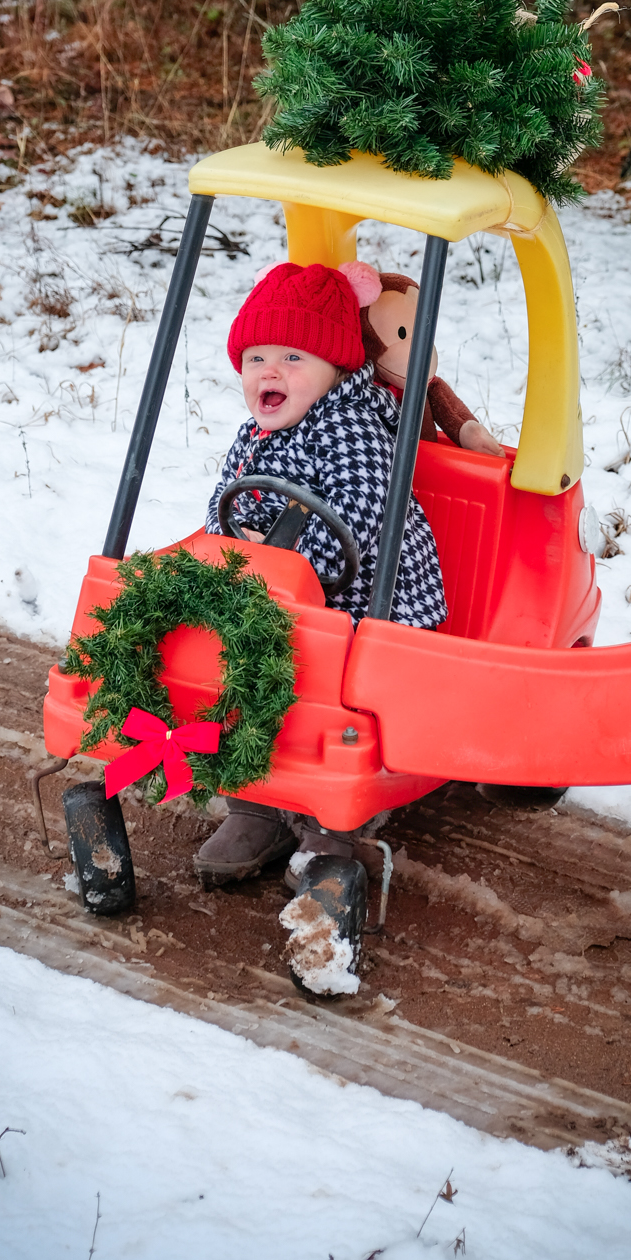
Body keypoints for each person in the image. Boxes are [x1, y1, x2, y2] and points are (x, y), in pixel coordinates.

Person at [195, 259, 446, 887]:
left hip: (371, 601)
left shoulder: (354, 429)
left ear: (338, 367)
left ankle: (326, 826)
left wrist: (296, 560)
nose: (270, 372)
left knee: (323, 693)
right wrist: (233, 540)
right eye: (256, 359)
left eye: (293, 357)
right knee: (238, 665)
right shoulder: (257, 430)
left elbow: (360, 523)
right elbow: (225, 493)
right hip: (286, 593)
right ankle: (256, 803)